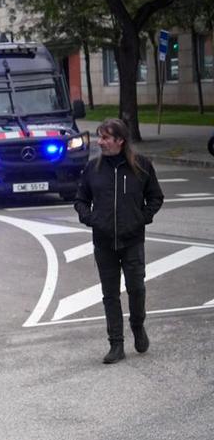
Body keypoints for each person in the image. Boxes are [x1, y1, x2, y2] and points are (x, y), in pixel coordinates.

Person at [74, 117, 165, 365]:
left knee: (137, 288)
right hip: (104, 243)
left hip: (133, 240)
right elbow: (80, 199)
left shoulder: (141, 166)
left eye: (105, 137)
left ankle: (137, 324)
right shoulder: (92, 168)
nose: (100, 142)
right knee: (110, 295)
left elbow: (156, 197)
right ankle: (116, 344)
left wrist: (141, 218)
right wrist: (91, 219)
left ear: (120, 140)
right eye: (99, 136)